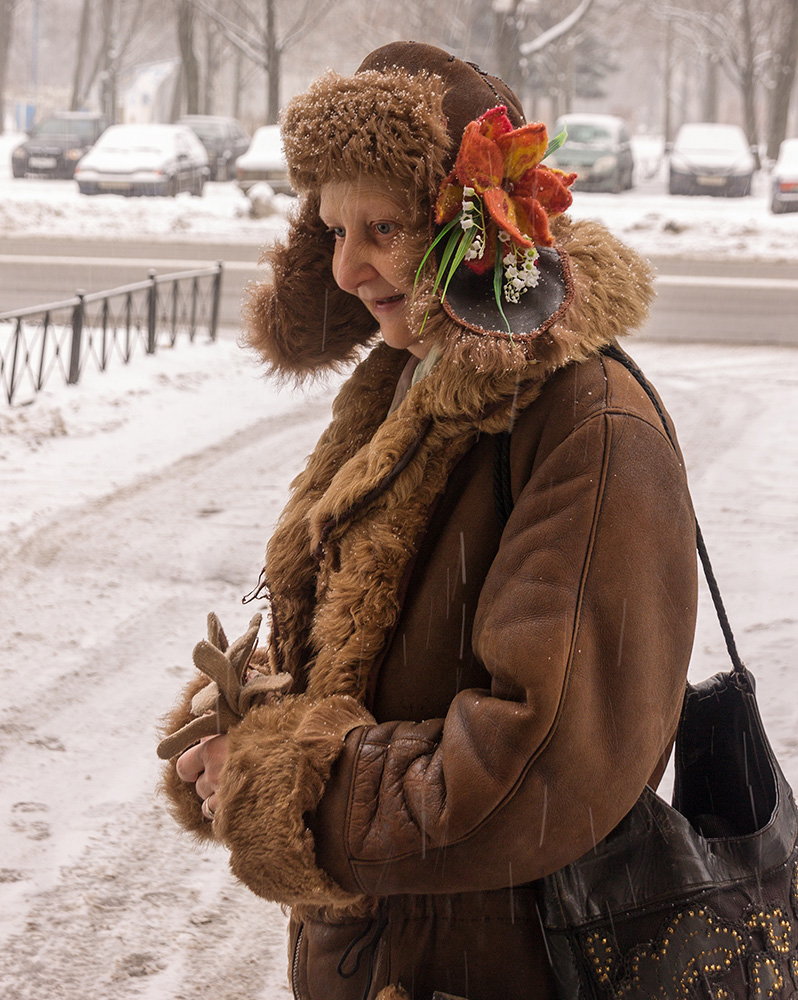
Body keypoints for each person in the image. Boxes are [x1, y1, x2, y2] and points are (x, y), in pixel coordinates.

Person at [158, 41, 698, 1000]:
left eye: (385, 226)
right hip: (382, 957)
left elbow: (542, 759)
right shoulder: (402, 383)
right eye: (329, 229)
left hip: (503, 967)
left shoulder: (587, 425)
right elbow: (351, 647)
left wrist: (287, 787)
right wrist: (240, 721)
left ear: (474, 229)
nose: (349, 266)